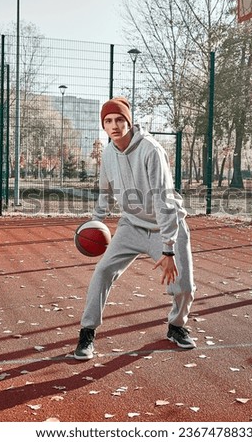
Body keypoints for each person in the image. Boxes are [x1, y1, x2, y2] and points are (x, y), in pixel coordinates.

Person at [74, 97, 196, 360]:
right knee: (103, 270)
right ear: (103, 126)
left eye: (119, 119)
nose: (114, 125)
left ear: (129, 121)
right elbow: (104, 194)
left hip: (166, 226)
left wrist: (168, 249)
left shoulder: (150, 150)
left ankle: (176, 326)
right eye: (108, 121)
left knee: (183, 287)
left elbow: (164, 200)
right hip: (131, 225)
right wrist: (95, 222)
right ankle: (87, 332)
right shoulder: (107, 154)